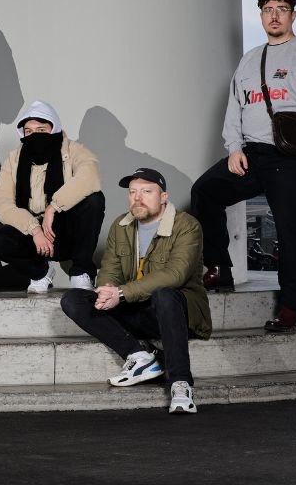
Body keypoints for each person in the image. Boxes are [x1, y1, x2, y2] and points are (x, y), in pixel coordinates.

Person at [190, 0, 296, 332]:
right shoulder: (250, 59)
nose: (274, 15)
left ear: (293, 16)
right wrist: (234, 147)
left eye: (281, 9)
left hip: (292, 158)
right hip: (252, 154)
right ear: (261, 16)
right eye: (268, 9)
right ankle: (220, 268)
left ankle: (293, 309)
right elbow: (234, 107)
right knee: (205, 191)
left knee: (293, 232)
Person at [61, 168, 211, 414]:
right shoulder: (121, 225)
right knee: (73, 299)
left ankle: (180, 383)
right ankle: (139, 355)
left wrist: (120, 294)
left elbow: (175, 275)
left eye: (147, 192)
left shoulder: (186, 225)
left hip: (177, 315)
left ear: (163, 197)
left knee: (164, 294)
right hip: (137, 308)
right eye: (132, 192)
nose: (137, 198)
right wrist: (107, 290)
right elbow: (110, 269)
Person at [0, 100, 105, 292]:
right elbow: (1, 201)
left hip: (65, 227)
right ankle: (41, 272)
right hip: (34, 231)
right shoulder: (14, 159)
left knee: (94, 200)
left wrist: (54, 207)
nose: (34, 135)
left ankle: (81, 271)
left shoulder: (73, 150)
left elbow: (90, 175)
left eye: (41, 130)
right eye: (28, 131)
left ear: (54, 129)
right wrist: (34, 229)